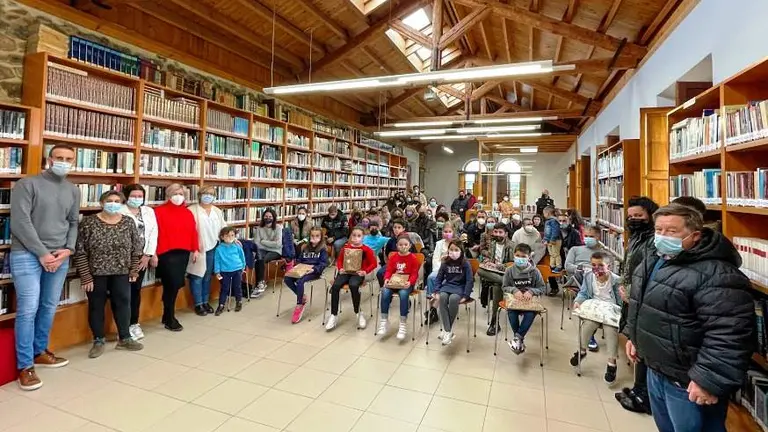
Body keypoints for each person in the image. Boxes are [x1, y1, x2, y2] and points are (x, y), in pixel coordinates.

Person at [626, 204, 753, 431]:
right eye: (659, 230)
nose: (662, 236)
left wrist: (707, 380)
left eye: (672, 231)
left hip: (689, 383)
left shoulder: (717, 274)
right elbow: (646, 305)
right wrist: (634, 337)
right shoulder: (656, 259)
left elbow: (729, 333)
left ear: (695, 235)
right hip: (657, 370)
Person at [10, 144, 79, 390]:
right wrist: (42, 253)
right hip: (27, 254)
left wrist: (68, 249)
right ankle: (25, 366)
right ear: (49, 159)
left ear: (74, 162)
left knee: (49, 306)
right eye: (58, 157)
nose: (63, 161)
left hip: (60, 255)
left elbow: (73, 222)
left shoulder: (73, 190)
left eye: (68, 159)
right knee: (28, 308)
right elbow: (20, 222)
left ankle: (40, 351)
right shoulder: (27, 184)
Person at [75, 190, 144, 358]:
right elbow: (80, 251)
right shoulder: (89, 222)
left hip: (122, 272)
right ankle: (98, 340)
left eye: (117, 201)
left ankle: (125, 338)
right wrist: (85, 276)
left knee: (123, 303)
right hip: (96, 273)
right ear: (101, 202)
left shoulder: (128, 222)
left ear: (121, 204)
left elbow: (136, 248)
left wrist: (134, 269)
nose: (113, 203)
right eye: (109, 200)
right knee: (96, 306)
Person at [615, 196, 659, 413]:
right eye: (630, 216)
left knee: (642, 343)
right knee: (636, 340)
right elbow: (628, 265)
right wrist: (623, 286)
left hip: (644, 298)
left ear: (650, 216)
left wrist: (631, 292)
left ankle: (644, 394)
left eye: (639, 216)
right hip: (631, 295)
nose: (633, 220)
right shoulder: (634, 237)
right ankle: (638, 388)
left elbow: (651, 271)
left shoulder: (654, 240)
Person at [569, 251, 622, 384]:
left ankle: (612, 363)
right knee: (588, 324)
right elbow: (584, 293)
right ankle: (582, 351)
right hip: (594, 307)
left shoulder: (616, 280)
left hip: (610, 309)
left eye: (600, 265)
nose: (596, 269)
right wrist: (578, 301)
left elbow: (620, 302)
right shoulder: (589, 276)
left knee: (611, 329)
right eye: (593, 265)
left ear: (609, 266)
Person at [154, 183, 199, 332]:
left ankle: (167, 314)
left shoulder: (187, 213)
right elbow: (153, 234)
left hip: (183, 252)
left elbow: (193, 231)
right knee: (172, 284)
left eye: (181, 193)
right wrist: (153, 253)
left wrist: (195, 249)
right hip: (166, 253)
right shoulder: (158, 212)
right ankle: (170, 317)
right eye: (175, 193)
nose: (178, 196)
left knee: (176, 284)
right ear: (168, 195)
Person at [120, 184, 158, 341]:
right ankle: (122, 326)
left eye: (140, 196)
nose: (137, 199)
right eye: (133, 196)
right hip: (123, 259)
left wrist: (148, 254)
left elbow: (154, 232)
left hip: (142, 259)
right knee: (122, 293)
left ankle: (133, 323)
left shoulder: (149, 211)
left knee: (135, 292)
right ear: (126, 196)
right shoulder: (119, 210)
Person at [326, 227, 378, 331]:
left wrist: (365, 271)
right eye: (354, 235)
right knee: (335, 286)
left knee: (353, 285)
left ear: (363, 237)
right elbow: (339, 260)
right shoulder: (346, 248)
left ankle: (358, 312)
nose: (355, 238)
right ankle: (333, 315)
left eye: (359, 236)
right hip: (345, 272)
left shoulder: (366, 249)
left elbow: (374, 263)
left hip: (358, 273)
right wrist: (340, 269)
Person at [186, 186, 227, 316]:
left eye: (211, 194)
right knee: (197, 276)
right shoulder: (192, 210)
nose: (208, 196)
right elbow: (188, 231)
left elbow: (223, 227)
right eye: (205, 193)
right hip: (198, 249)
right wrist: (194, 247)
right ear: (200, 195)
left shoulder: (217, 211)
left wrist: (232, 237)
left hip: (213, 248)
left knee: (208, 277)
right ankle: (198, 304)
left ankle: (205, 301)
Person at [501, 243, 545, 354]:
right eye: (517, 255)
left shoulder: (535, 272)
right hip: (514, 301)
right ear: (514, 255)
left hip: (529, 303)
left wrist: (532, 291)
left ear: (529, 257)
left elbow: (542, 288)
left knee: (530, 314)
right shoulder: (509, 271)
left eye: (523, 256)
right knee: (512, 313)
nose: (520, 258)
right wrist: (514, 290)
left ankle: (517, 338)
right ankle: (519, 339)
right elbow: (504, 287)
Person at [377, 235, 420, 340]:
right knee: (385, 291)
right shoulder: (394, 257)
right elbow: (389, 270)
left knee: (404, 294)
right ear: (397, 246)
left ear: (410, 246)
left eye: (406, 244)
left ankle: (403, 323)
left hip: (406, 283)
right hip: (394, 281)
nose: (403, 247)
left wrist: (410, 282)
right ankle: (384, 320)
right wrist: (386, 279)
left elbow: (415, 274)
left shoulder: (413, 258)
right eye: (400, 245)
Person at [433, 239, 474, 346]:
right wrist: (437, 290)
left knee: (453, 299)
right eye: (451, 249)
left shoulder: (465, 263)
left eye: (456, 250)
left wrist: (466, 295)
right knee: (442, 297)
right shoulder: (445, 262)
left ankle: (446, 331)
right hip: (447, 286)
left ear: (461, 251)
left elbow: (470, 280)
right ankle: (448, 332)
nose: (453, 252)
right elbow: (439, 278)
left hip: (460, 287)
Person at [477, 224, 516, 336]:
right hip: (495, 273)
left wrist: (499, 266)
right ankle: (503, 282)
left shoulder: (512, 245)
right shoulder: (493, 244)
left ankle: (494, 322)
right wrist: (488, 262)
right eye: (496, 232)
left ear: (506, 234)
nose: (497, 234)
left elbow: (513, 264)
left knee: (496, 286)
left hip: (506, 273)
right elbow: (491, 258)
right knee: (479, 270)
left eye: (500, 232)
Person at [284, 226, 328, 324]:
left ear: (321, 237)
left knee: (300, 281)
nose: (314, 238)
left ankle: (300, 304)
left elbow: (324, 263)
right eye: (312, 235)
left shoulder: (323, 249)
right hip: (302, 269)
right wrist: (296, 267)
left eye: (317, 236)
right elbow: (300, 260)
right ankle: (302, 296)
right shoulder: (305, 247)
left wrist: (314, 269)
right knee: (287, 278)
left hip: (314, 271)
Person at [213, 226, 246, 316]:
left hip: (237, 269)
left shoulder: (237, 246)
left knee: (237, 287)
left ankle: (239, 301)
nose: (230, 238)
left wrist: (243, 266)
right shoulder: (219, 249)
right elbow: (217, 261)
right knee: (224, 288)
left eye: (232, 235)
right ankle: (221, 305)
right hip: (225, 271)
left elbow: (242, 256)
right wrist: (217, 272)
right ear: (222, 237)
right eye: (227, 236)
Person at [425, 222, 454, 323]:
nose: (447, 233)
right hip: (439, 269)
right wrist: (439, 270)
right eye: (445, 231)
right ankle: (432, 308)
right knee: (431, 278)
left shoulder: (456, 243)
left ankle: (432, 311)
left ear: (453, 232)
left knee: (441, 282)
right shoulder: (439, 244)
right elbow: (435, 259)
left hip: (453, 271)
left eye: (449, 231)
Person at [252, 208, 283, 295]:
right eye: (266, 216)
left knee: (263, 259)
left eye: (270, 216)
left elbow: (278, 244)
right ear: (263, 217)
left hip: (276, 251)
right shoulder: (259, 228)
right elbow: (256, 243)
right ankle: (260, 283)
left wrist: (263, 241)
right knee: (259, 258)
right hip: (262, 250)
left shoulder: (278, 228)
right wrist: (268, 243)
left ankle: (260, 283)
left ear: (273, 218)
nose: (268, 218)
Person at [377, 219, 415, 288]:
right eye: (395, 227)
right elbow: (387, 253)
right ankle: (385, 288)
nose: (396, 229)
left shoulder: (408, 240)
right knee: (380, 273)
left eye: (399, 227)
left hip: (406, 264)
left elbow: (413, 253)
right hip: (393, 263)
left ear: (403, 228)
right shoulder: (391, 240)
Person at [542, 206, 562, 272]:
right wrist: (545, 239)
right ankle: (552, 266)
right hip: (549, 240)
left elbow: (555, 231)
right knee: (551, 254)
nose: (543, 215)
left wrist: (553, 240)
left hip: (555, 240)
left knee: (556, 253)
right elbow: (547, 232)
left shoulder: (554, 221)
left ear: (548, 213)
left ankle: (558, 266)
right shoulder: (548, 221)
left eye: (544, 213)